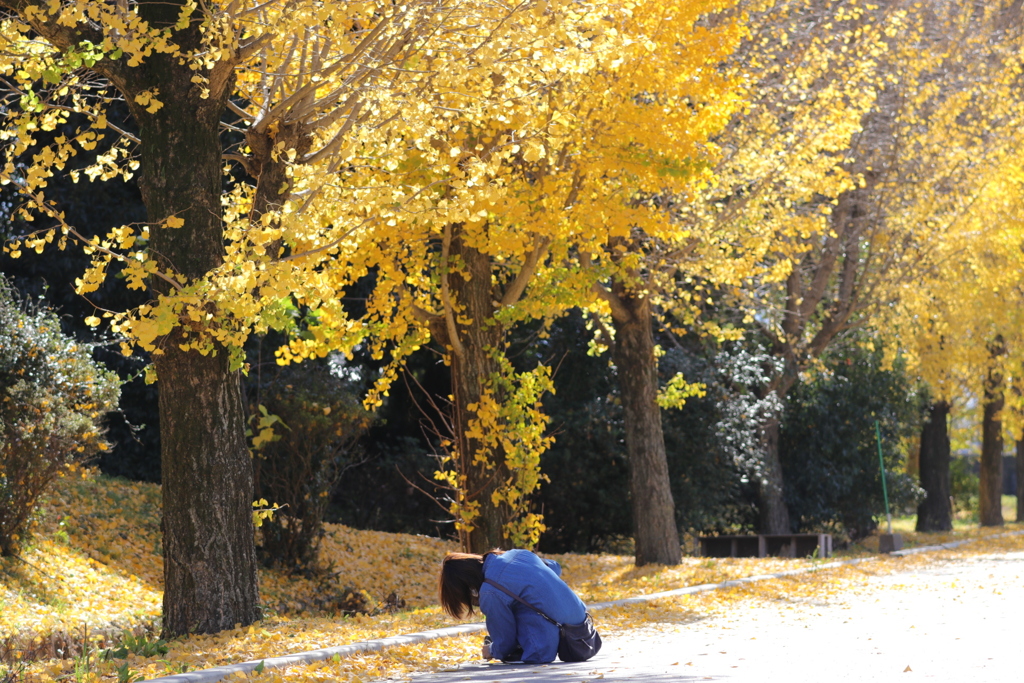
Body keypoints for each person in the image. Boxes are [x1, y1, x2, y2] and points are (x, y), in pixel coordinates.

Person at [437, 548, 591, 664]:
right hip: (583, 627)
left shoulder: (490, 591)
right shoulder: (519, 554)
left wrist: (491, 650)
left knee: (511, 616)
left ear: (466, 585)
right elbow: (555, 567)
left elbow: (505, 640)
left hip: (541, 651)